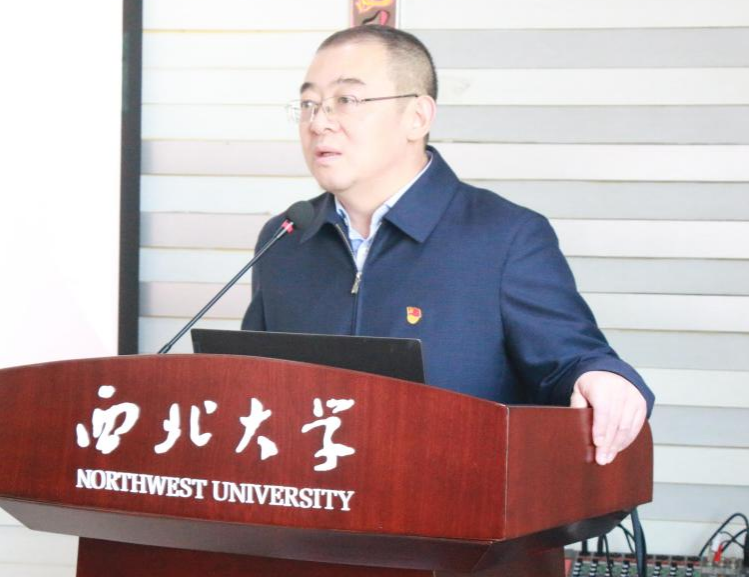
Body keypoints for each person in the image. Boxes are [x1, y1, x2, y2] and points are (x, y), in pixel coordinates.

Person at [242, 25, 653, 466]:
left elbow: (572, 360)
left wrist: (605, 377)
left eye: (347, 100)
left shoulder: (505, 237)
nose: (319, 123)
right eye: (309, 104)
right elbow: (249, 386)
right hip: (314, 499)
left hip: (456, 495)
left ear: (417, 117)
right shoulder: (285, 239)